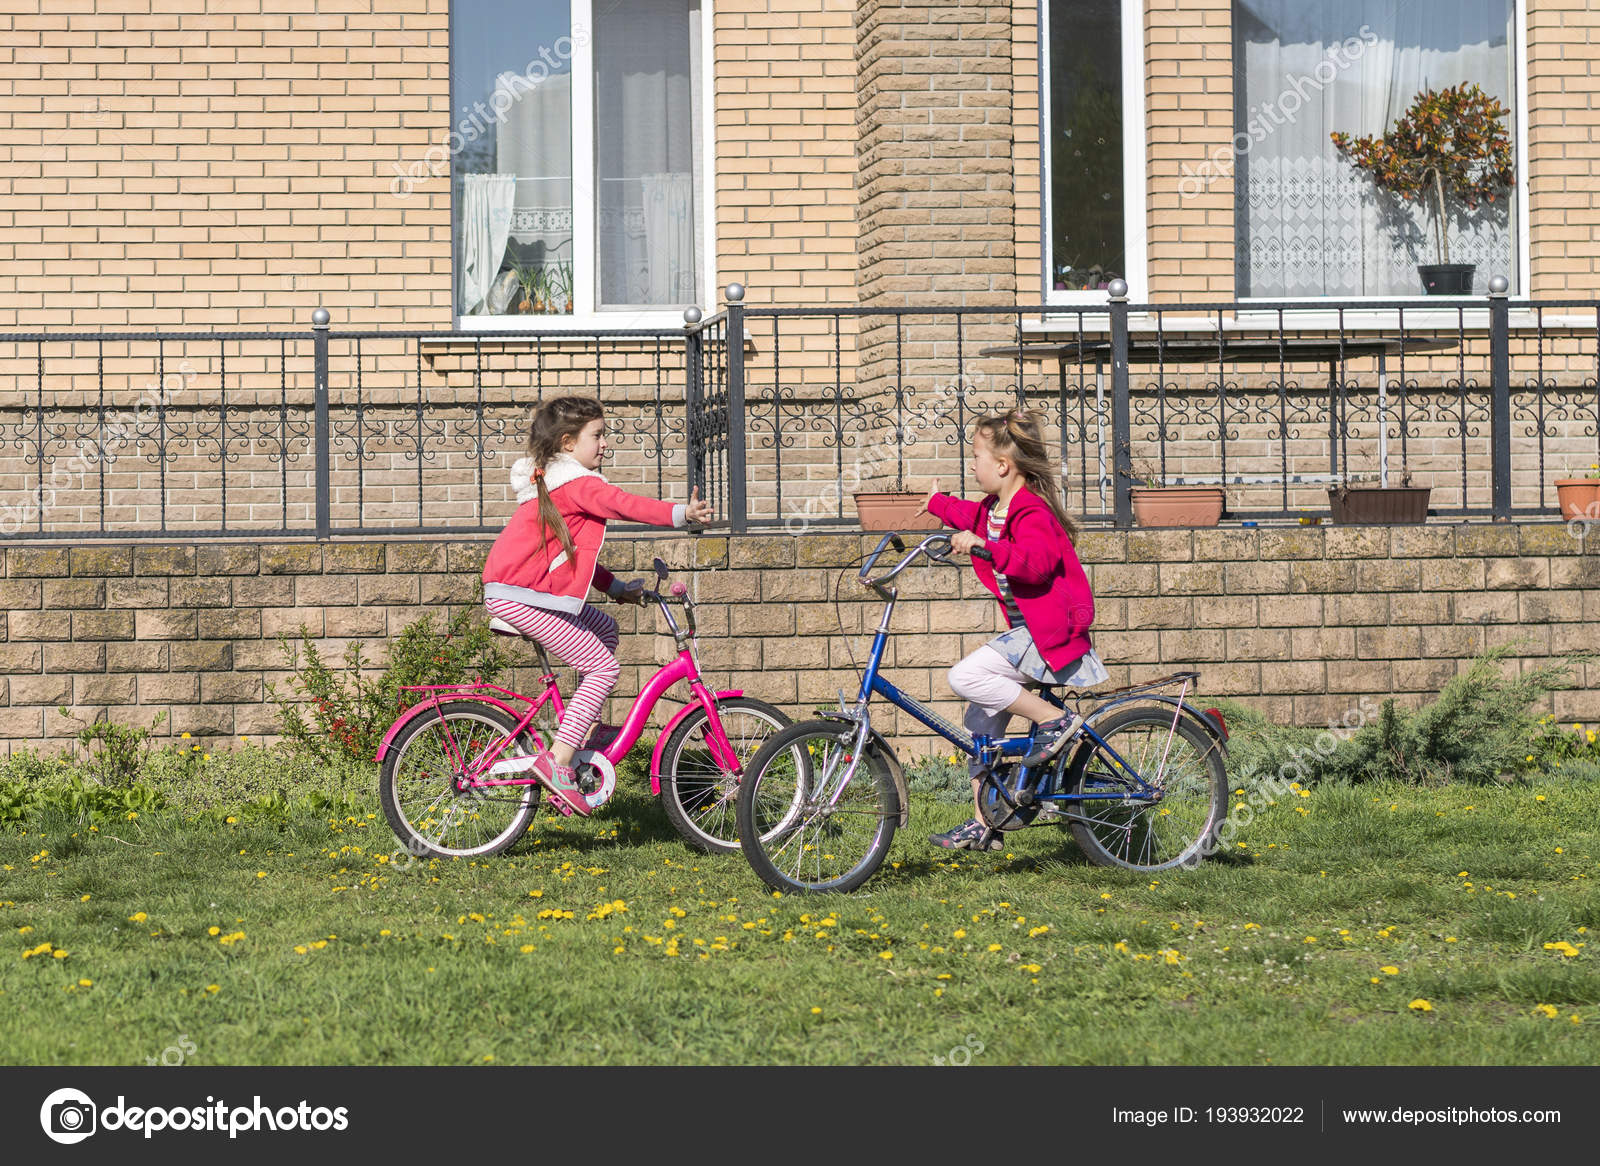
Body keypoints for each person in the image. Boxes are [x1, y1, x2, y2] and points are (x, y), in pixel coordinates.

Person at [481, 396, 713, 816]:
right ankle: (559, 761)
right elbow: (626, 505)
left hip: (524, 592)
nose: (605, 444)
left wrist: (616, 587)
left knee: (605, 629)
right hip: (522, 595)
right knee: (603, 669)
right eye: (598, 436)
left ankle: (580, 728)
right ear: (568, 443)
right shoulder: (579, 483)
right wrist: (683, 513)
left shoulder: (560, 483)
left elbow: (571, 554)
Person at [921, 408, 1104, 851]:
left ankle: (1055, 720)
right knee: (980, 720)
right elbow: (970, 515)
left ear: (1002, 465)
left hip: (1051, 635)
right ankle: (985, 823)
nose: (971, 465)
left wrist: (985, 548)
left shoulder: (1032, 511)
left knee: (965, 676)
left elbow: (1034, 563)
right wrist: (936, 503)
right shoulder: (995, 510)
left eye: (976, 456)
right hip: (1029, 636)